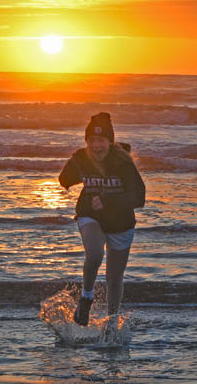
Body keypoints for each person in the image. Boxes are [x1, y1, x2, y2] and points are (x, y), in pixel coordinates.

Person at [59, 112, 145, 325]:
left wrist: (108, 201)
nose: (96, 146)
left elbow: (139, 197)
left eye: (101, 140)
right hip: (91, 215)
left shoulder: (123, 162)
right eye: (91, 140)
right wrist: (76, 162)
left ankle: (112, 321)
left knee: (114, 278)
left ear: (110, 142)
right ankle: (86, 298)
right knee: (95, 255)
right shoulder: (83, 158)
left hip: (121, 222)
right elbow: (64, 180)